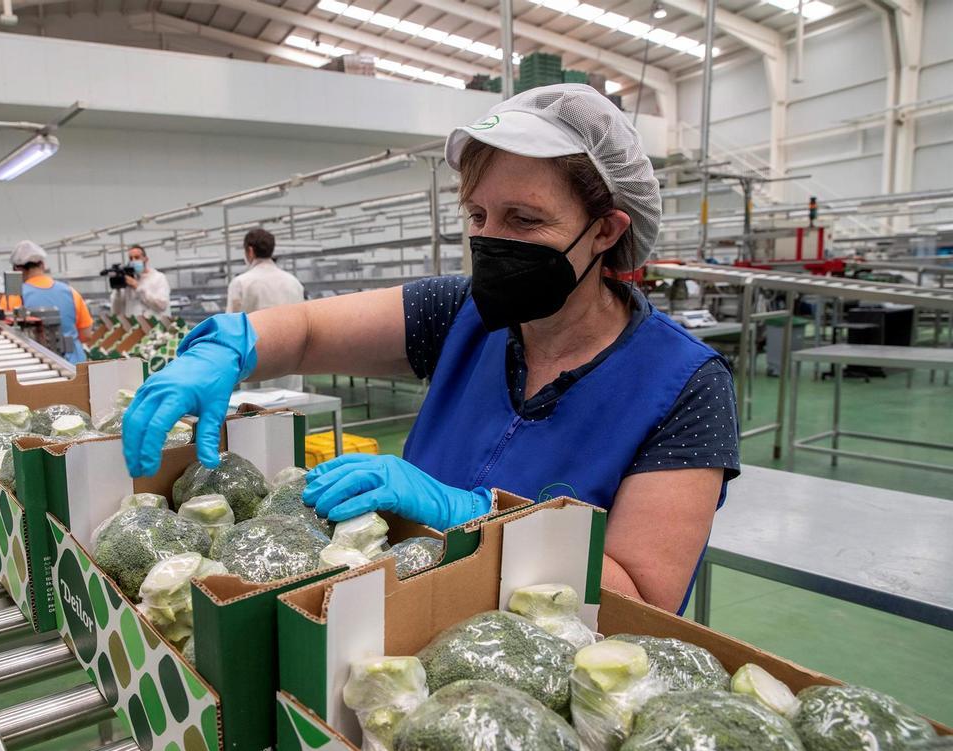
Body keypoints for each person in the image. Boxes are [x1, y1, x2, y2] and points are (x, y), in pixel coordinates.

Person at [121, 85, 740, 614]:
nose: (490, 241)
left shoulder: (685, 384)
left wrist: (472, 515)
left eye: (524, 220)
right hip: (396, 618)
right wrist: (234, 345)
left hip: (535, 674)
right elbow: (308, 330)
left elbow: (641, 599)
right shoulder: (460, 313)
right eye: (478, 216)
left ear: (605, 229)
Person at [226, 228, 307, 391]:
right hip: (291, 355)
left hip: (256, 357)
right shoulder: (293, 282)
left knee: (257, 410)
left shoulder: (241, 283)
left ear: (249, 251)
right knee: (290, 406)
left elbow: (232, 326)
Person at [9, 240, 93, 363]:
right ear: (42, 265)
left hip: (38, 366)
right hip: (75, 366)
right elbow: (86, 334)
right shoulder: (71, 292)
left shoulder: (14, 297)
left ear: (17, 269)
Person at [110, 245, 172, 326]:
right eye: (131, 258)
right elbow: (116, 311)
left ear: (146, 259)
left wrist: (137, 287)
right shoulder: (127, 281)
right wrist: (118, 290)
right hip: (133, 328)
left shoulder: (158, 278)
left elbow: (162, 305)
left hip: (155, 327)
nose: (133, 261)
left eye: (137, 257)